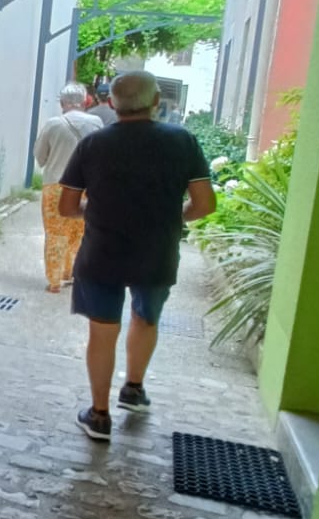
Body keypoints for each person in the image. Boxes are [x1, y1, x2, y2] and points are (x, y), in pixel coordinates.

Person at [58, 70, 216, 441]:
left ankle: (99, 416)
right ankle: (133, 388)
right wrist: (172, 217)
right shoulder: (182, 141)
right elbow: (205, 204)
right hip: (157, 252)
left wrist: (96, 210)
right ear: (156, 101)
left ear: (112, 103)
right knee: (146, 319)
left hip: (101, 253)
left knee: (102, 332)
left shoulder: (93, 144)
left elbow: (67, 206)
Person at [33, 83, 102, 293]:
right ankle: (71, 272)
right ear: (84, 102)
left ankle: (54, 281)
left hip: (56, 185)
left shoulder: (53, 124)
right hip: (86, 187)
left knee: (55, 232)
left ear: (62, 102)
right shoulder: (96, 123)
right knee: (78, 232)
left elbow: (40, 156)